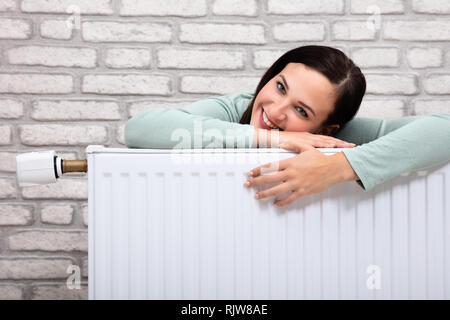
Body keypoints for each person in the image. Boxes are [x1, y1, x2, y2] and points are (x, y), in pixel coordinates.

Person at [124, 45, 450, 207]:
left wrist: (341, 166)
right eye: (280, 87)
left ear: (327, 130)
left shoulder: (336, 141)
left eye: (302, 111)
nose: (276, 111)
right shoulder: (237, 108)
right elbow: (140, 129)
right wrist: (270, 138)